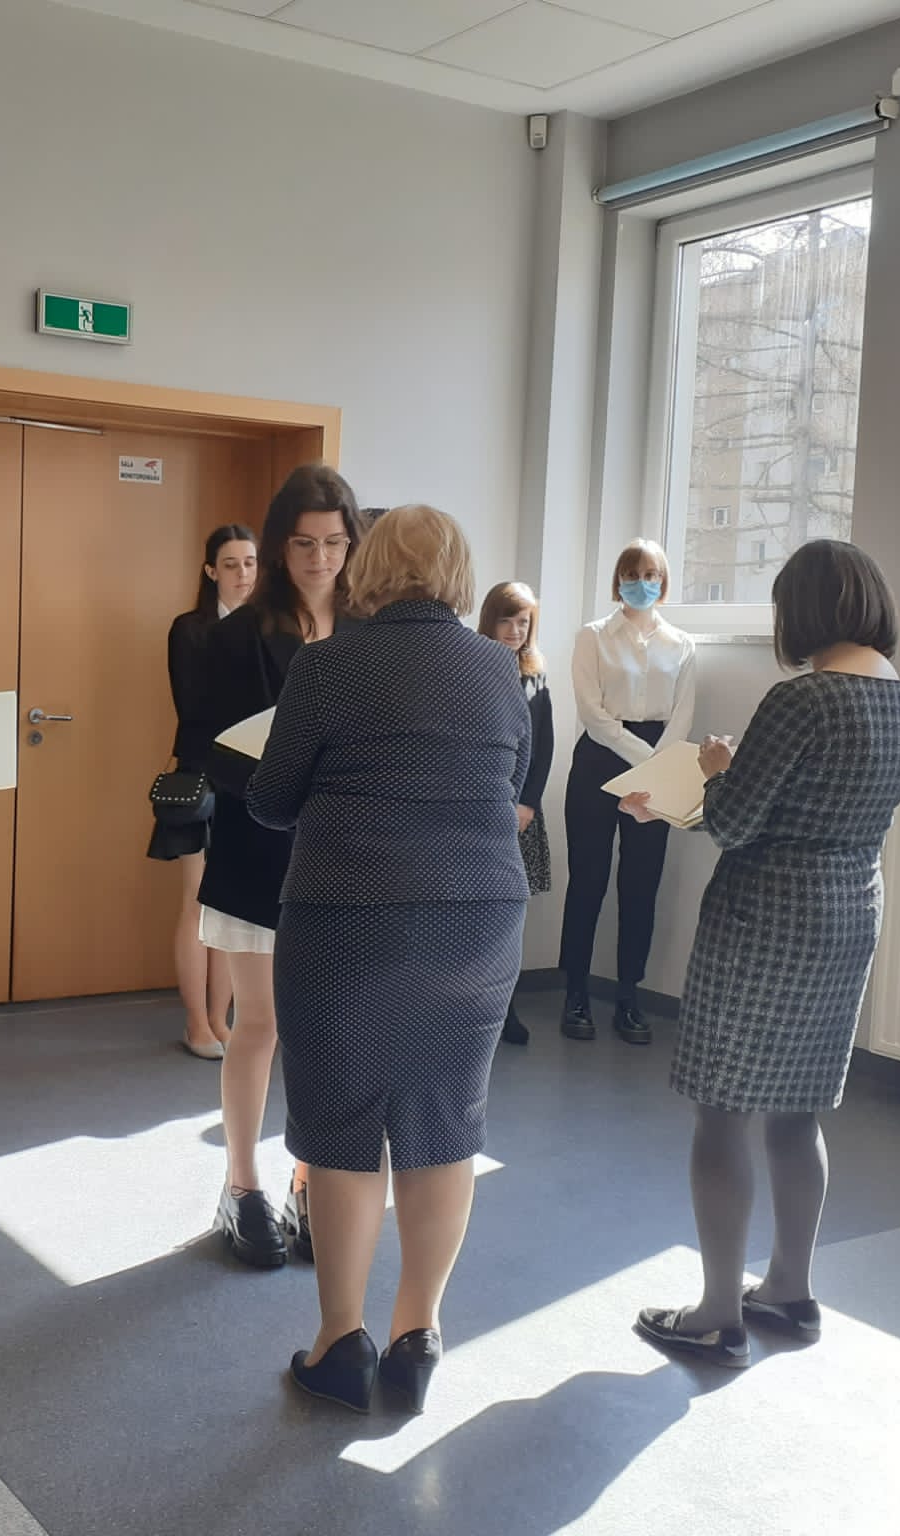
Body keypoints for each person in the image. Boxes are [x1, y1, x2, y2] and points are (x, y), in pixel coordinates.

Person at [248, 505, 530, 1414]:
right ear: (456, 572)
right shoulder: (499, 668)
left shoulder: (327, 665)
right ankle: (418, 1335)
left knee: (342, 1125)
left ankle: (342, 1342)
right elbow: (511, 779)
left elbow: (272, 797)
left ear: (367, 566)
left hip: (348, 916)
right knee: (445, 1121)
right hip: (476, 917)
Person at [629, 540, 900, 1370]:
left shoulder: (804, 698)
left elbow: (733, 822)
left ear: (806, 609)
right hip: (850, 909)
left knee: (723, 1111)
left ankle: (718, 1314)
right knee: (798, 1111)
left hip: (767, 917)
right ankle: (790, 1290)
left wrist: (717, 769)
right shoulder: (896, 694)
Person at [197, 465, 362, 1269]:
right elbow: (209, 749)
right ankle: (242, 1186)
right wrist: (290, 785)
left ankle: (307, 1183)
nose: (319, 559)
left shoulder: (370, 632)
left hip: (346, 858)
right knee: (258, 1025)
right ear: (277, 546)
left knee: (325, 1032)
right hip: (258, 848)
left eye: (334, 543)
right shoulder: (236, 636)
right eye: (303, 544)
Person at [558, 539, 696, 1045]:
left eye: (652, 574)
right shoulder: (592, 636)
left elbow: (682, 714)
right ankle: (575, 992)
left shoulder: (682, 644)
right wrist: (646, 758)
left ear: (664, 581)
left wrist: (657, 768)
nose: (642, 583)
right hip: (599, 759)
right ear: (618, 581)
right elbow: (592, 714)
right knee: (588, 879)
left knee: (642, 883)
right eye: (633, 574)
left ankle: (628, 996)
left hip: (659, 763)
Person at [154, 524, 258, 1060]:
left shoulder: (272, 628)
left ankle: (221, 1020)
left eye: (250, 563)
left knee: (234, 907)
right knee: (197, 899)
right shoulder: (190, 629)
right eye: (232, 564)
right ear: (211, 571)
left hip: (253, 779)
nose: (243, 574)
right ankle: (196, 1022)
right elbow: (193, 706)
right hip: (200, 774)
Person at [480, 580, 554, 1046]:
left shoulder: (536, 675)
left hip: (521, 810)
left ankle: (506, 1006)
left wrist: (528, 802)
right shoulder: (471, 667)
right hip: (481, 805)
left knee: (511, 915)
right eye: (506, 620)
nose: (514, 630)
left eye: (523, 622)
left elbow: (543, 744)